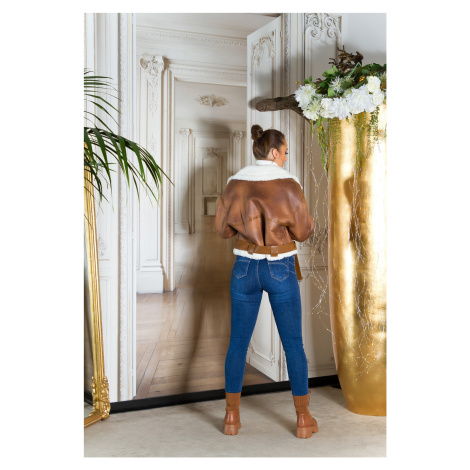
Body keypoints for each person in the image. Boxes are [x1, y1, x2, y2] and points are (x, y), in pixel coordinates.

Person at [214, 124, 319, 439]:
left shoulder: (235, 182)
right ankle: (303, 420)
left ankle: (231, 417)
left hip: (244, 267)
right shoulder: (288, 183)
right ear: (273, 152)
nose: (285, 158)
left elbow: (222, 230)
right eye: (284, 152)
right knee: (294, 344)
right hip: (279, 267)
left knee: (237, 342)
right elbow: (304, 231)